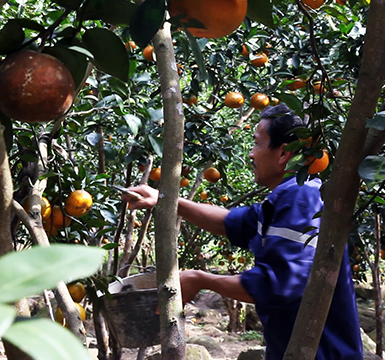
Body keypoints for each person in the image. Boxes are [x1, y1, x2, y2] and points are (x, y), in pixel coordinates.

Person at [123, 104, 363, 360]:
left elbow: (281, 284)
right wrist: (163, 199)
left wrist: (202, 279)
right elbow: (227, 221)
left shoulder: (302, 199)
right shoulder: (284, 199)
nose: (251, 154)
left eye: (258, 144)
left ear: (283, 153)